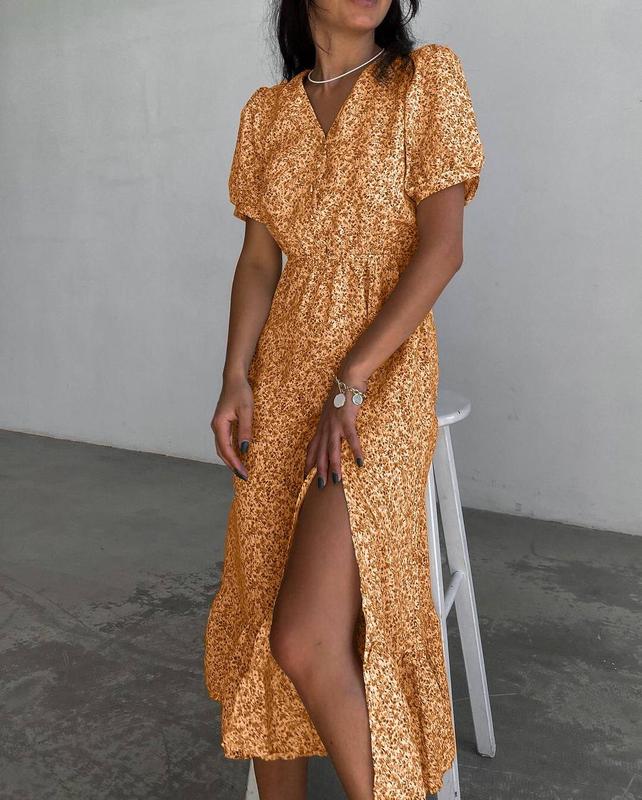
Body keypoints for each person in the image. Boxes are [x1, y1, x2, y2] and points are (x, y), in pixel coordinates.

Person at [204, 1, 485, 798]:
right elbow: (259, 262)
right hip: (286, 369)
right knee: (265, 605)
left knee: (303, 636)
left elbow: (443, 248)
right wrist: (234, 375)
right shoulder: (266, 116)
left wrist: (352, 380)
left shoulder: (425, 81)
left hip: (381, 375)